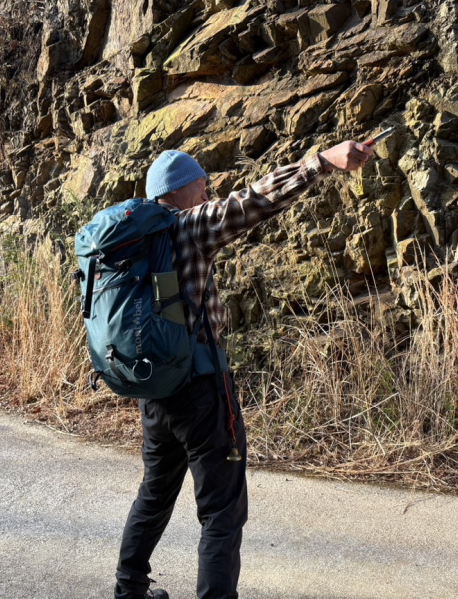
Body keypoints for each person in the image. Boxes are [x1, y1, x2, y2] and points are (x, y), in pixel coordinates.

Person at [114, 140, 375, 599]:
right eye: (202, 185)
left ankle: (128, 589)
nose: (207, 192)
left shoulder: (133, 240)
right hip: (199, 389)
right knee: (221, 510)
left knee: (155, 493)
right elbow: (252, 202)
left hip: (153, 389)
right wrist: (320, 163)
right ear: (179, 190)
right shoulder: (188, 227)